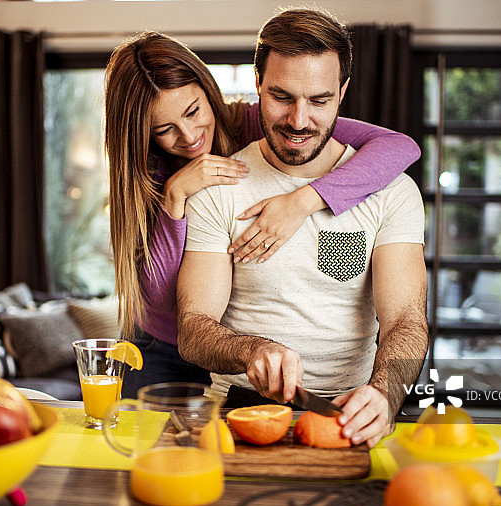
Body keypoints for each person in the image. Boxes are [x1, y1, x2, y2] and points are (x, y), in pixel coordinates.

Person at [105, 30, 421, 399]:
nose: (189, 135)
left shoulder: (256, 122)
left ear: (209, 91)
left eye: (193, 112)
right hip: (160, 344)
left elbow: (400, 146)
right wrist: (175, 196)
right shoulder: (149, 174)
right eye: (163, 129)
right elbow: (161, 302)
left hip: (225, 346)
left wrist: (303, 201)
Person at [175, 8, 428, 448]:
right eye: (281, 96)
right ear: (257, 85)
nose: (298, 120)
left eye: (319, 100)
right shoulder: (218, 188)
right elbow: (194, 328)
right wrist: (250, 350)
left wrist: (386, 391)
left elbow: (406, 319)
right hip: (239, 412)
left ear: (343, 92)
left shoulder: (393, 192)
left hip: (350, 409)